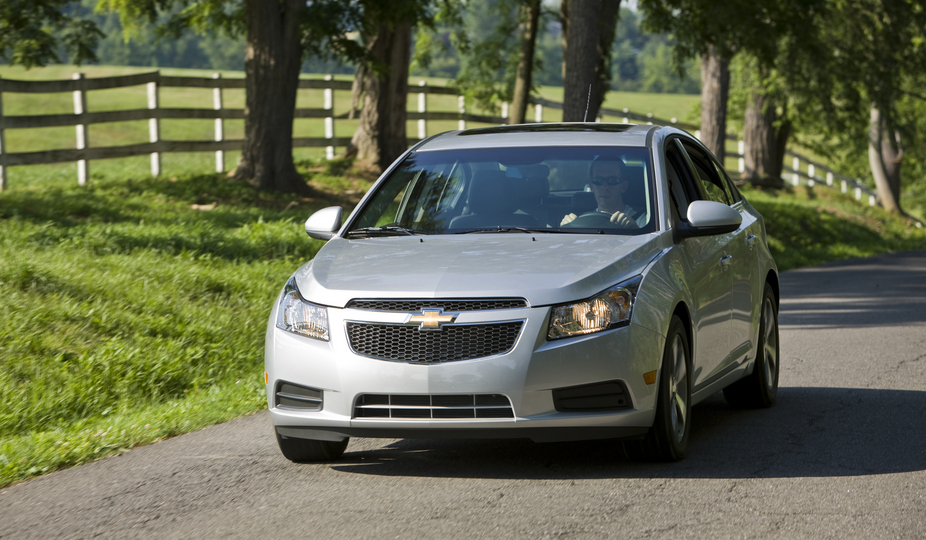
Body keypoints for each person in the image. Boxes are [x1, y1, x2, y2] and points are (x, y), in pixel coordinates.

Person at [560, 157, 643, 228]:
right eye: (598, 180)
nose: (604, 187)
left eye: (612, 180)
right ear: (591, 186)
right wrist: (566, 229)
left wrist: (636, 230)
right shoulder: (581, 221)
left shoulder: (642, 219)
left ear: (624, 186)